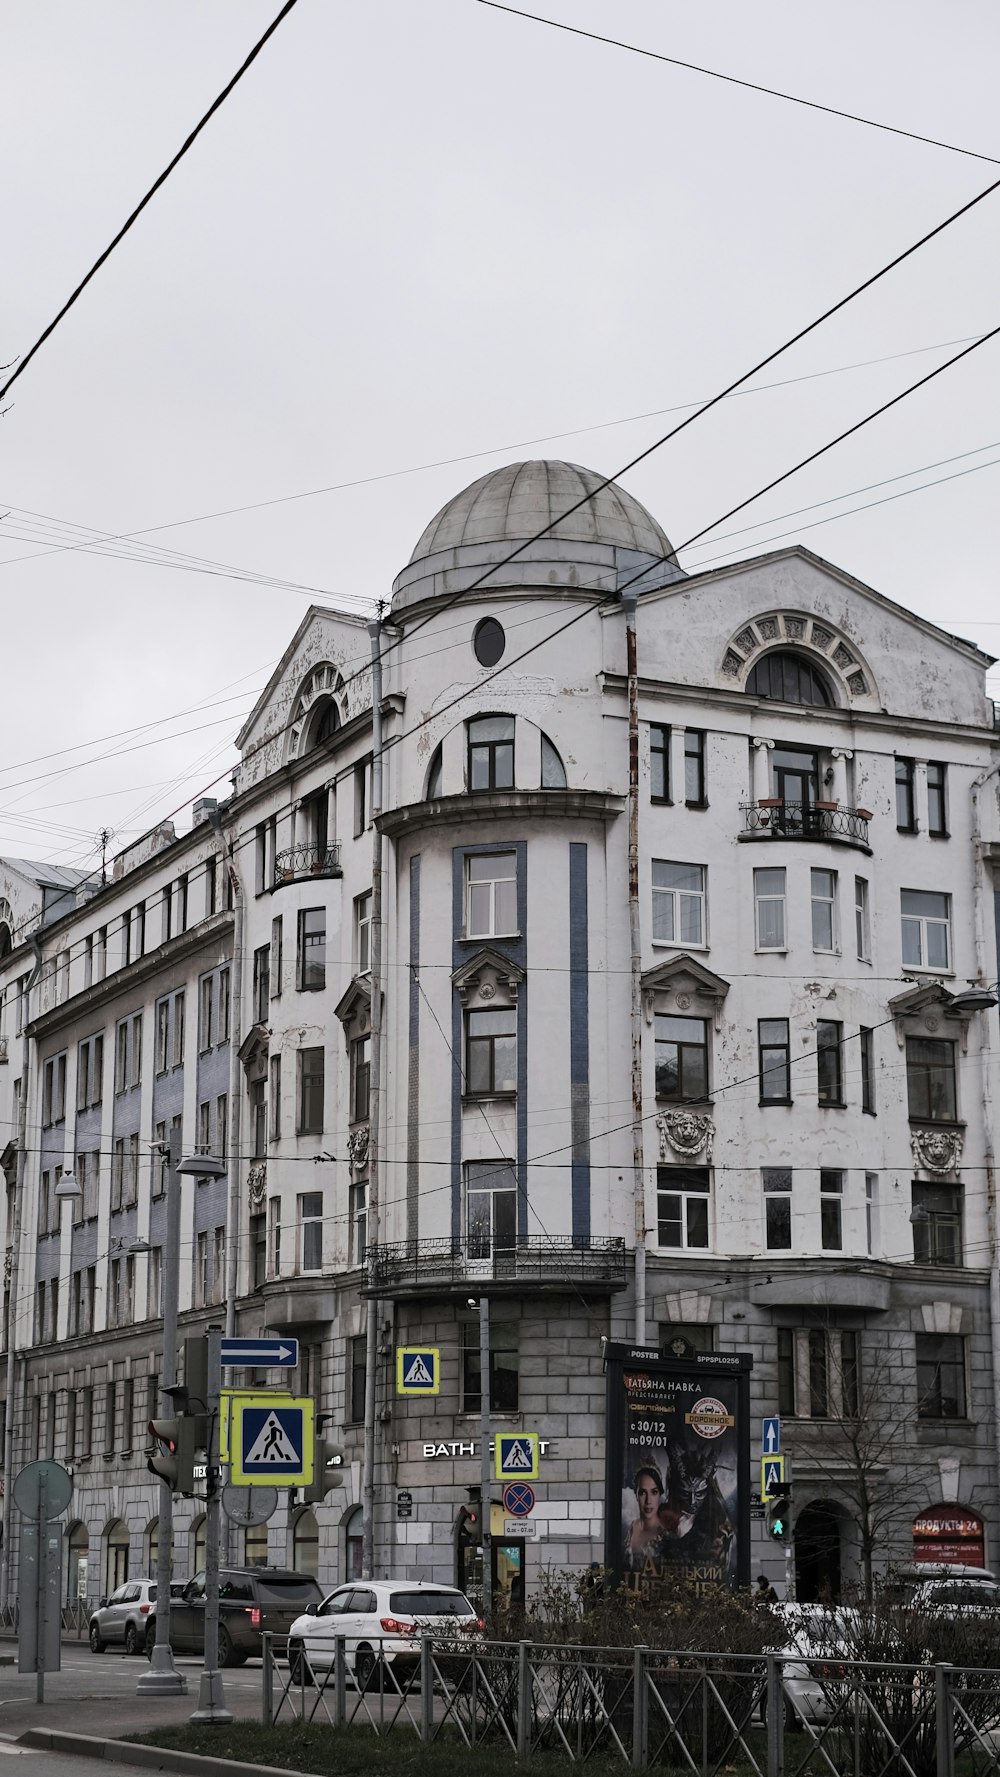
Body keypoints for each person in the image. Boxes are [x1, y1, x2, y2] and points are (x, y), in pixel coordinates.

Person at [624, 1464, 669, 1566]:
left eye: (654, 1492)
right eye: (643, 1493)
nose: (648, 1501)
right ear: (636, 1495)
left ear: (659, 1495)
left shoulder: (666, 1534)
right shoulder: (633, 1527)